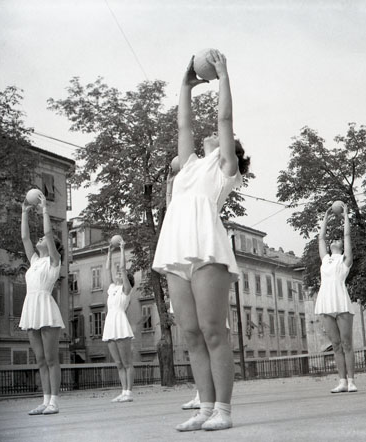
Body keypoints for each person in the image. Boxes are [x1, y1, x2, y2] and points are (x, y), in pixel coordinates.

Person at [152, 49, 249, 432]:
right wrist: (185, 86)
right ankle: (204, 408)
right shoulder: (189, 166)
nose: (213, 135)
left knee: (212, 331)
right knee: (191, 334)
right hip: (176, 248)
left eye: (223, 139)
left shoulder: (225, 168)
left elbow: (224, 119)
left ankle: (223, 410)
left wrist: (223, 76)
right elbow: (183, 126)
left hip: (206, 248)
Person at [20, 193, 64, 415]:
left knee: (51, 358)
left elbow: (47, 233)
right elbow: (25, 238)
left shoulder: (53, 261)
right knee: (39, 359)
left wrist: (45, 208)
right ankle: (45, 400)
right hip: (31, 308)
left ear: (52, 245)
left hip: (46, 308)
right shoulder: (35, 261)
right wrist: (24, 213)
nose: (40, 239)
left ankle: (54, 401)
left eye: (44, 239)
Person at [315, 203, 357, 393]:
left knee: (347, 343)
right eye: (334, 239)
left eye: (338, 240)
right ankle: (342, 381)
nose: (335, 240)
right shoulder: (326, 259)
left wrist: (346, 214)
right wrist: (325, 216)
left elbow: (347, 235)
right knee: (336, 344)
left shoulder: (345, 260)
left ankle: (351, 381)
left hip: (340, 300)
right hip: (325, 302)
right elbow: (321, 238)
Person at [102, 237, 135, 403]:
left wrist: (122, 249)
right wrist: (109, 253)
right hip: (110, 323)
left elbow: (122, 268)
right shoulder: (112, 288)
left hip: (120, 322)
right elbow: (107, 270)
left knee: (127, 362)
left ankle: (129, 392)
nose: (118, 274)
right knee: (118, 363)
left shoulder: (126, 289)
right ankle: (123, 391)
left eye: (121, 274)